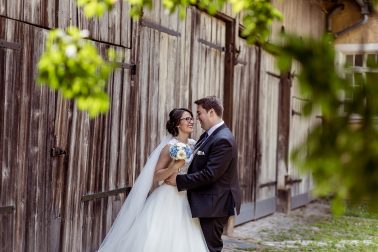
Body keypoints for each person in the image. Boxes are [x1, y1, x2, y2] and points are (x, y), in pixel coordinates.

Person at [97, 108, 208, 252]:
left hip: (186, 196)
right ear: (177, 124)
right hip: (168, 196)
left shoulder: (194, 144)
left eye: (192, 118)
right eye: (186, 119)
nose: (191, 121)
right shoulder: (170, 147)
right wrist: (174, 167)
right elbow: (156, 176)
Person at [166, 96, 242, 252]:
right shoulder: (209, 135)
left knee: (209, 248)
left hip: (214, 205)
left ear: (211, 112)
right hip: (206, 202)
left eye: (199, 113)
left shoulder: (223, 139)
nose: (197, 118)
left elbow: (210, 174)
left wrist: (179, 181)